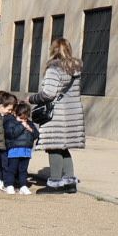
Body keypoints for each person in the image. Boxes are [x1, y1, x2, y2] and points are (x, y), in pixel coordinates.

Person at [35, 36, 84, 193]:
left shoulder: (54, 68)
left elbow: (48, 93)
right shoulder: (75, 68)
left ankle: (55, 183)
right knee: (64, 147)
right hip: (72, 113)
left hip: (56, 113)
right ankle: (70, 182)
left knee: (54, 146)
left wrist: (32, 98)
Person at [4, 101, 38, 195]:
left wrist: (30, 129)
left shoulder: (30, 123)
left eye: (25, 117)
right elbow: (11, 134)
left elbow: (36, 135)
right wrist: (21, 126)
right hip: (14, 150)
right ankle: (9, 185)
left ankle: (23, 185)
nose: (23, 119)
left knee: (23, 170)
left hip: (26, 150)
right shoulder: (11, 122)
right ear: (15, 114)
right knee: (12, 169)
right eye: (20, 117)